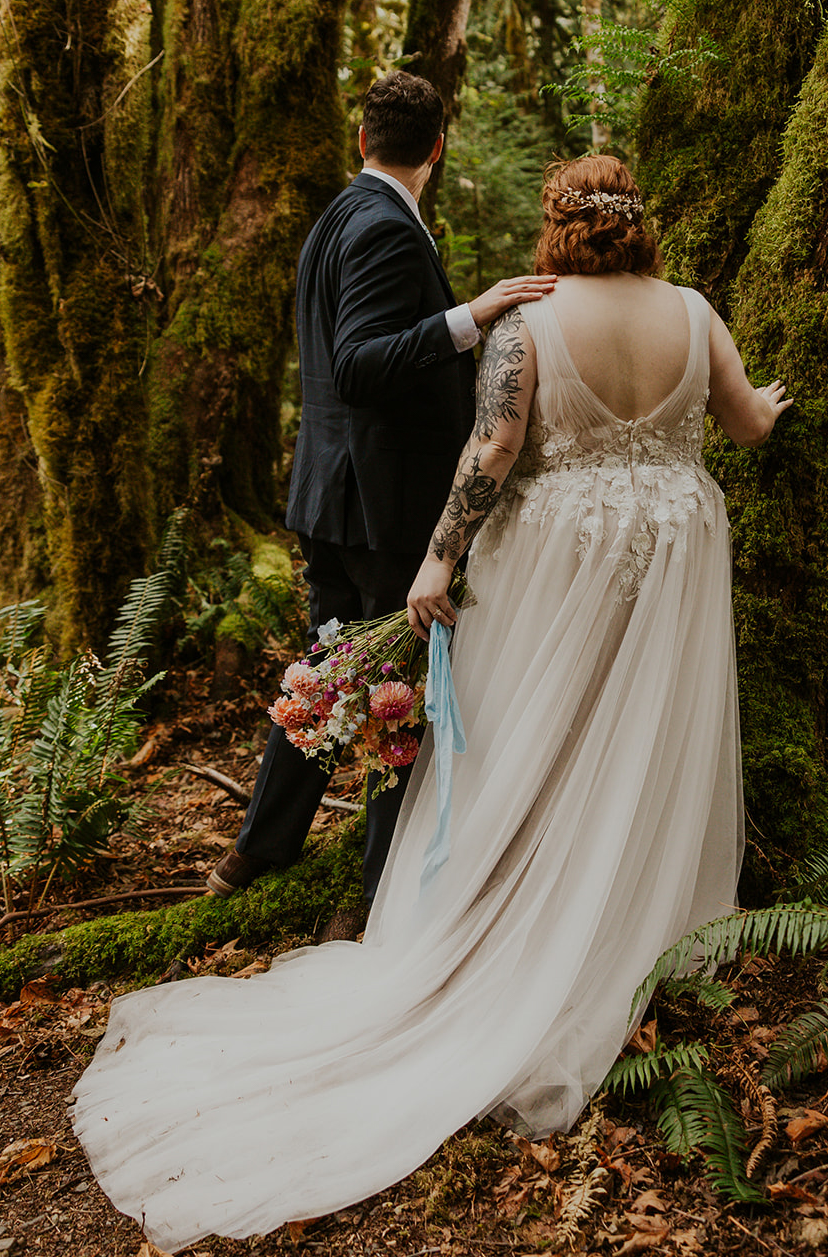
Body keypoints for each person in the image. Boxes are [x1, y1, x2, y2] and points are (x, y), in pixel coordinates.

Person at [73, 156, 791, 1251]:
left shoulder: (531, 319)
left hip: (560, 551)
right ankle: (630, 912)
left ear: (559, 228)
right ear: (641, 228)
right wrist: (770, 400)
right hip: (676, 547)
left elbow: (492, 445)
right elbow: (743, 425)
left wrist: (435, 559)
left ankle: (517, 909)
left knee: (535, 737)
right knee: (643, 734)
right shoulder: (696, 311)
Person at [207, 72, 555, 909]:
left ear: (362, 140)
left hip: (332, 493)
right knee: (395, 699)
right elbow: (360, 366)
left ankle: (258, 851)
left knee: (329, 674)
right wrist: (468, 317)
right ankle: (378, 895)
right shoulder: (384, 231)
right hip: (379, 505)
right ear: (437, 147)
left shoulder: (337, 216)